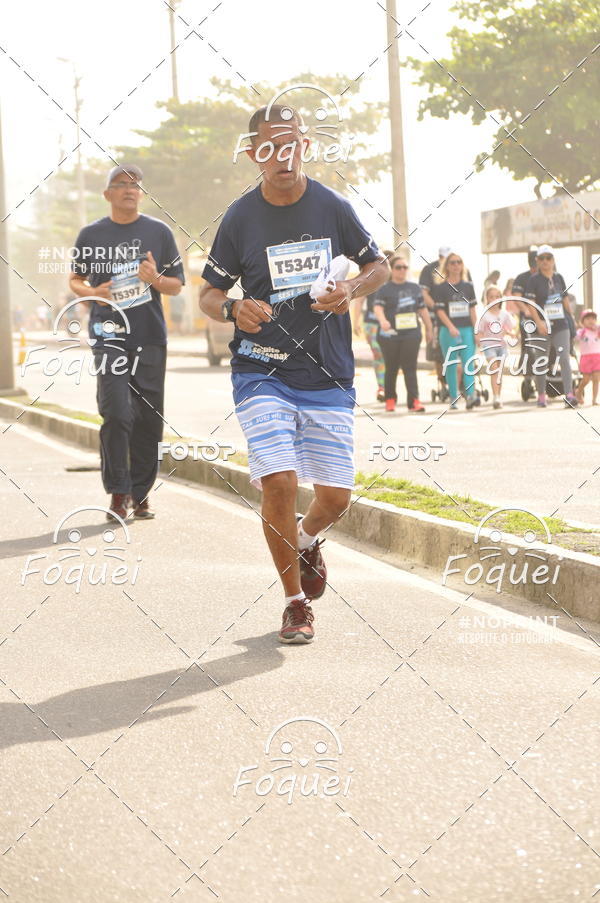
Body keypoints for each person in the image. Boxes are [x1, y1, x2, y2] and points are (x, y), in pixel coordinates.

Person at [199, 105, 389, 645]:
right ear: (253, 153)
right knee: (279, 481)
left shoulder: (333, 207)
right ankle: (294, 602)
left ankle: (305, 540)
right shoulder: (240, 217)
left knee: (335, 500)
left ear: (304, 146)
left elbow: (378, 265)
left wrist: (350, 288)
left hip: (327, 372)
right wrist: (232, 308)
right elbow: (208, 293)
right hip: (260, 368)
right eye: (269, 146)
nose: (281, 155)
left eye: (290, 143)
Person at [69, 163, 185, 520]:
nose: (129, 189)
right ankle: (119, 493)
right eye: (121, 184)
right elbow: (75, 280)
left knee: (148, 420)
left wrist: (155, 279)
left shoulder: (159, 232)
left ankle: (141, 492)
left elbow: (177, 285)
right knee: (116, 412)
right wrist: (94, 293)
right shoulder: (91, 235)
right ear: (108, 194)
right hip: (108, 334)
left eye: (135, 184)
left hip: (149, 336)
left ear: (141, 193)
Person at [372, 254, 432, 412]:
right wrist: (383, 321)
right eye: (399, 267)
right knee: (391, 368)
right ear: (392, 270)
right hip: (390, 335)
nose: (402, 270)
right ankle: (390, 399)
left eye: (405, 267)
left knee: (410, 368)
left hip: (411, 334)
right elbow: (378, 307)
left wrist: (429, 328)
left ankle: (414, 401)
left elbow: (422, 309)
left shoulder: (414, 288)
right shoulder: (384, 289)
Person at [524, 245, 577, 408]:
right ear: (537, 261)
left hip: (561, 324)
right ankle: (541, 395)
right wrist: (538, 322)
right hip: (541, 326)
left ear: (553, 260)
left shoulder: (559, 277)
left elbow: (565, 299)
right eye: (542, 258)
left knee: (564, 358)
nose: (545, 261)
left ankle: (569, 395)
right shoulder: (533, 280)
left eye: (548, 258)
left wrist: (572, 318)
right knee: (542, 361)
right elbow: (531, 304)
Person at [432, 251, 479, 409]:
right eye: (452, 262)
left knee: (468, 364)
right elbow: (439, 311)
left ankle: (471, 395)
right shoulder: (441, 288)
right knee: (451, 365)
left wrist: (476, 331)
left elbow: (472, 309)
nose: (456, 265)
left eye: (459, 262)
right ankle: (453, 397)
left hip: (466, 330)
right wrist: (451, 327)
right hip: (448, 331)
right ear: (447, 266)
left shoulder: (468, 286)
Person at [476, 285, 516, 409]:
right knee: (494, 370)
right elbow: (479, 332)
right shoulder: (484, 315)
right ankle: (496, 397)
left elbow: (511, 328)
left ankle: (498, 395)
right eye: (491, 297)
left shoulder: (504, 314)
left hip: (502, 346)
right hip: (489, 346)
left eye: (497, 297)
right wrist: (479, 342)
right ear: (487, 299)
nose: (494, 299)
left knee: (499, 372)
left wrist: (510, 333)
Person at [575, 310, 600, 405]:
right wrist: (581, 330)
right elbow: (576, 337)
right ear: (583, 321)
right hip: (586, 357)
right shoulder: (581, 331)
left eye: (593, 319)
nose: (591, 321)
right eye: (588, 319)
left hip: (597, 356)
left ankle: (594, 399)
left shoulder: (597, 331)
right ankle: (578, 391)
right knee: (586, 379)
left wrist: (596, 327)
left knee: (596, 378)